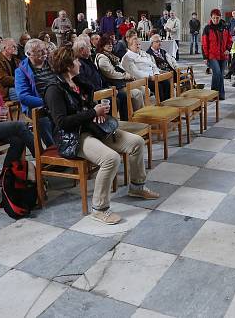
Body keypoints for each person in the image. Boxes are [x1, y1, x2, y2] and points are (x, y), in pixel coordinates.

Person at [44, 45, 159, 225]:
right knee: (111, 159)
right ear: (67, 65)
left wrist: (98, 114)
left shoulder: (79, 83)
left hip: (93, 128)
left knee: (136, 142)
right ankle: (99, 208)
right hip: (74, 137)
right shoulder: (54, 90)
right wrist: (92, 113)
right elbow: (62, 123)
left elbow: (86, 108)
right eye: (75, 60)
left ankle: (137, 187)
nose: (79, 63)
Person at [15, 38, 54, 146]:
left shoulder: (52, 64)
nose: (44, 53)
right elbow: (23, 96)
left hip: (55, 101)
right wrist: (46, 102)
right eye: (39, 51)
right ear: (28, 53)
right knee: (44, 120)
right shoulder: (21, 71)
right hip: (38, 105)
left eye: (44, 49)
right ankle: (54, 151)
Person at [94, 35, 144, 119]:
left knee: (143, 89)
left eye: (111, 44)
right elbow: (111, 74)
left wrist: (129, 75)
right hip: (113, 85)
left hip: (120, 82)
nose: (110, 45)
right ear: (102, 46)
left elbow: (121, 68)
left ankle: (142, 114)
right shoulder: (102, 58)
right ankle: (138, 118)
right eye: (107, 44)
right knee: (137, 93)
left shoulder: (111, 56)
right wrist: (125, 76)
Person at [122, 33, 171, 102]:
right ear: (130, 46)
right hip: (142, 79)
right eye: (136, 45)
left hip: (153, 76)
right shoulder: (127, 57)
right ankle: (161, 106)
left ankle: (168, 103)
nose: (138, 46)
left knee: (166, 82)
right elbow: (135, 72)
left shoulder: (143, 53)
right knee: (158, 86)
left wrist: (156, 73)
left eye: (139, 44)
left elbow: (153, 64)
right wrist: (150, 77)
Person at [201, 8, 232, 100]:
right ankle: (213, 94)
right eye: (214, 18)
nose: (215, 20)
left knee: (221, 74)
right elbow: (204, 44)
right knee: (217, 73)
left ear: (220, 17)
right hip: (212, 55)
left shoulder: (225, 27)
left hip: (223, 55)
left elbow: (229, 40)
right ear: (211, 17)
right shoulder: (207, 28)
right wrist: (205, 57)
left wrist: (228, 48)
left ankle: (221, 94)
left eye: (217, 18)